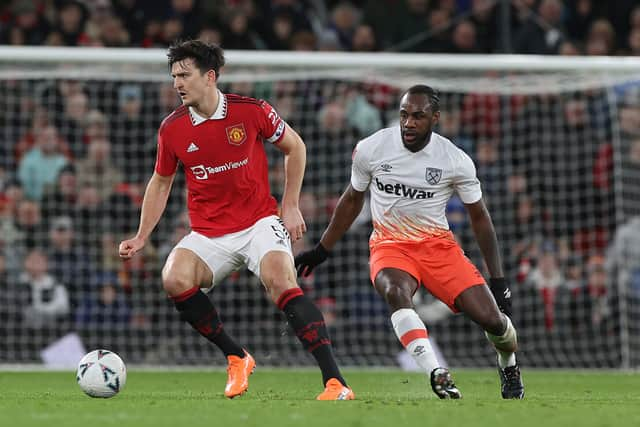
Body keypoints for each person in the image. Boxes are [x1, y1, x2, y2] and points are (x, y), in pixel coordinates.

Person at [118, 40, 353, 401]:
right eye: (173, 77)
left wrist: (289, 206)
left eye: (184, 75)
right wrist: (141, 235)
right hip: (209, 232)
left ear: (210, 76)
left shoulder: (251, 111)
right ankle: (236, 356)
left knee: (280, 280)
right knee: (173, 277)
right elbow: (161, 181)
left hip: (259, 221)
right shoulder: (172, 128)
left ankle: (336, 382)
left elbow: (296, 147)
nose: (177, 84)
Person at [295, 85, 524, 399]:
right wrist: (322, 249)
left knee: (494, 323)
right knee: (395, 292)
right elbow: (351, 200)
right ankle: (436, 372)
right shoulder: (372, 148)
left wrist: (498, 280)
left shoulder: (454, 160)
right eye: (404, 115)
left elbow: (480, 218)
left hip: (439, 247)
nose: (409, 123)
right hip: (390, 245)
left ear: (435, 118)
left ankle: (508, 364)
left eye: (418, 116)